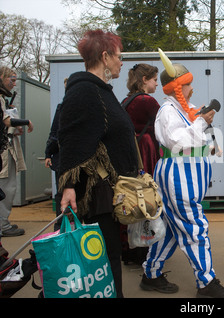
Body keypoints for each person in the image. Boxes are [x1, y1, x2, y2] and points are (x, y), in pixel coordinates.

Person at [141, 49, 224, 298]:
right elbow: (177, 141)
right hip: (177, 178)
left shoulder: (186, 108)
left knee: (172, 230)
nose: (192, 88)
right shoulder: (168, 112)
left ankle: (150, 274)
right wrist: (203, 122)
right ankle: (206, 283)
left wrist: (210, 144)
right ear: (177, 87)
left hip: (188, 176)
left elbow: (193, 137)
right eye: (188, 84)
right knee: (195, 228)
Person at [58, 29, 139, 298]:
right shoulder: (84, 91)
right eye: (119, 56)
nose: (122, 62)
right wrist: (68, 187)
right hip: (91, 196)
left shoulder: (101, 90)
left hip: (105, 193)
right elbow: (70, 140)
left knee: (105, 257)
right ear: (105, 57)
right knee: (99, 260)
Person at [121, 64, 160, 265]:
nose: (156, 84)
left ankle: (129, 250)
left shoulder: (126, 100)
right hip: (145, 154)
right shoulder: (147, 101)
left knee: (132, 200)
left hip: (130, 156)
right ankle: (146, 249)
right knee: (147, 199)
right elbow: (163, 125)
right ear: (144, 79)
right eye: (154, 79)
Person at [0, 66, 34, 237]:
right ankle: (3, 226)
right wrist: (25, 121)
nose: (13, 84)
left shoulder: (4, 99)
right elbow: (6, 122)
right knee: (6, 188)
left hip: (6, 148)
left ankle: (3, 223)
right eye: (11, 79)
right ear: (2, 77)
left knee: (7, 187)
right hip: (3, 151)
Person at [44, 78, 67, 231]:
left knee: (62, 195)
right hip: (62, 158)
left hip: (63, 158)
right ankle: (61, 229)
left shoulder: (63, 107)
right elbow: (54, 134)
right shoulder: (62, 108)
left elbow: (54, 134)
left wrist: (48, 153)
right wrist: (48, 153)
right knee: (62, 195)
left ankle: (62, 228)